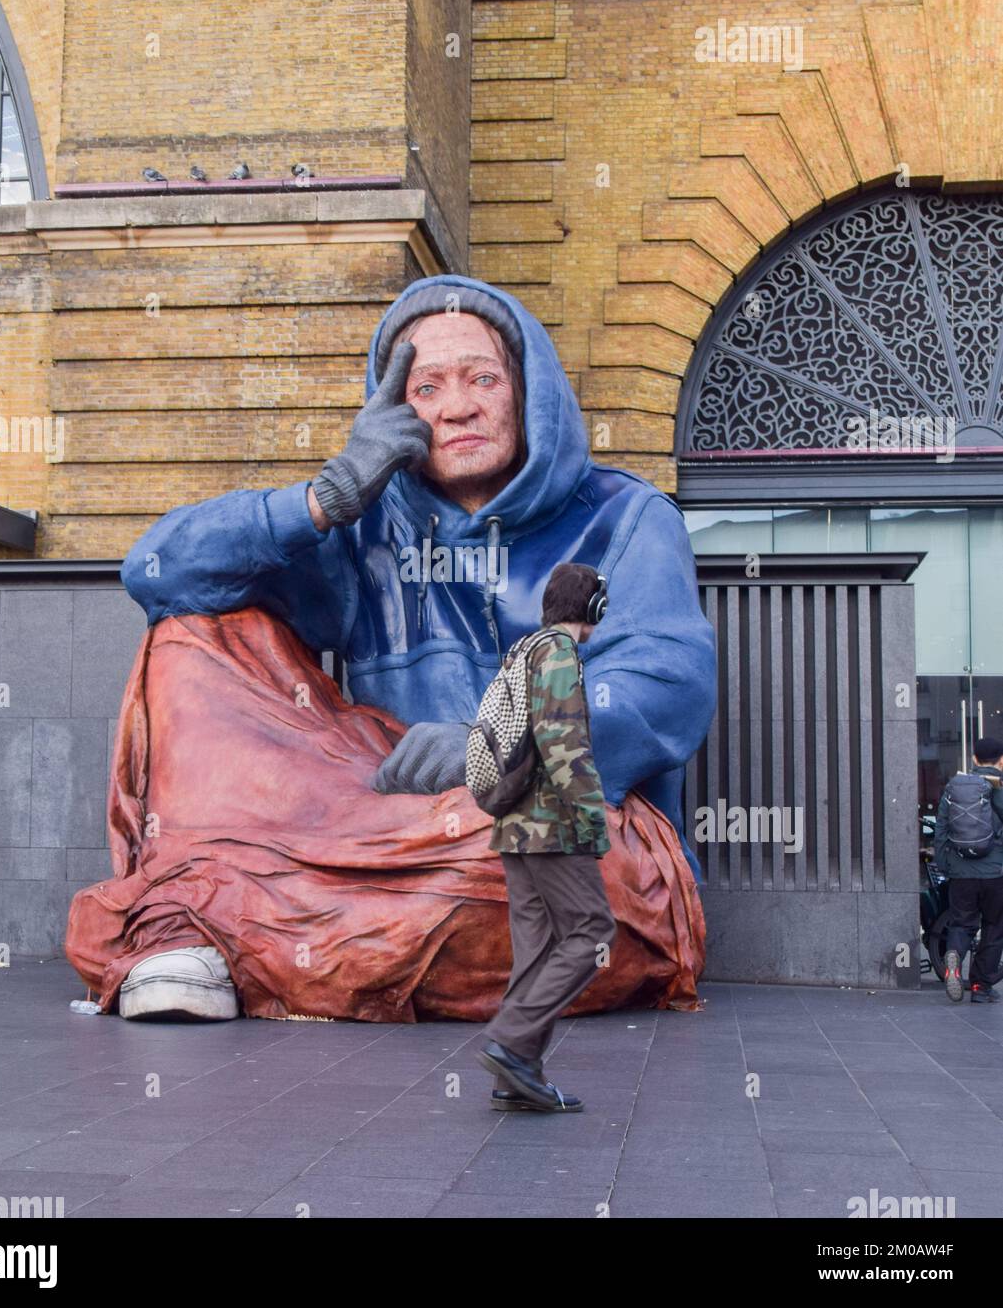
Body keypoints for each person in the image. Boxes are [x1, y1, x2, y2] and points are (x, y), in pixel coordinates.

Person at [65, 274, 716, 1022]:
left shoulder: (627, 517)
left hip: (554, 831)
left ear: (528, 389)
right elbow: (155, 571)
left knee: (534, 864)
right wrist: (327, 495)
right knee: (192, 632)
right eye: (425, 387)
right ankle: (271, 924)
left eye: (482, 378)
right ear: (392, 412)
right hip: (380, 827)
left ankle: (221, 925)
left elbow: (667, 685)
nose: (458, 405)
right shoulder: (366, 529)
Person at [477, 562, 616, 1114]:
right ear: (592, 608)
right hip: (551, 827)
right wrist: (591, 819)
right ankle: (511, 1041)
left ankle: (517, 1076)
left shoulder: (523, 649)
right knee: (592, 930)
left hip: (514, 826)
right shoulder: (558, 652)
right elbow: (561, 741)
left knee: (535, 951)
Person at [937, 736, 1003, 1004]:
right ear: (1001, 760)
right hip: (995, 874)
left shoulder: (955, 789)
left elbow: (941, 830)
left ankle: (954, 955)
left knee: (961, 923)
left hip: (961, 872)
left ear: (974, 759)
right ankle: (980, 987)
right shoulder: (999, 789)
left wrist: (947, 866)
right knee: (994, 927)